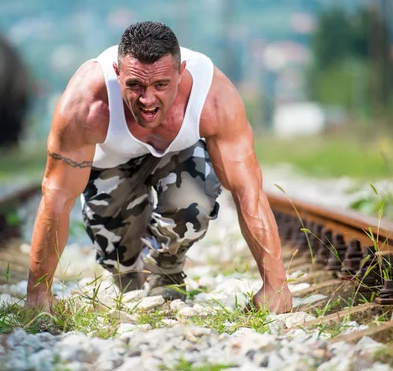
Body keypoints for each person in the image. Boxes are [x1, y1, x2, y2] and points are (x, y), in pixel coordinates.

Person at [26, 21, 292, 314]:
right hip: (111, 167)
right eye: (135, 85)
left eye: (161, 85)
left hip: (179, 159)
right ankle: (127, 274)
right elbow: (57, 199)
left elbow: (248, 192)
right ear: (117, 73)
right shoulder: (85, 105)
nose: (147, 99)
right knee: (119, 253)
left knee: (195, 192)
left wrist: (275, 286)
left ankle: (167, 271)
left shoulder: (213, 98)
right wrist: (39, 291)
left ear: (181, 73)